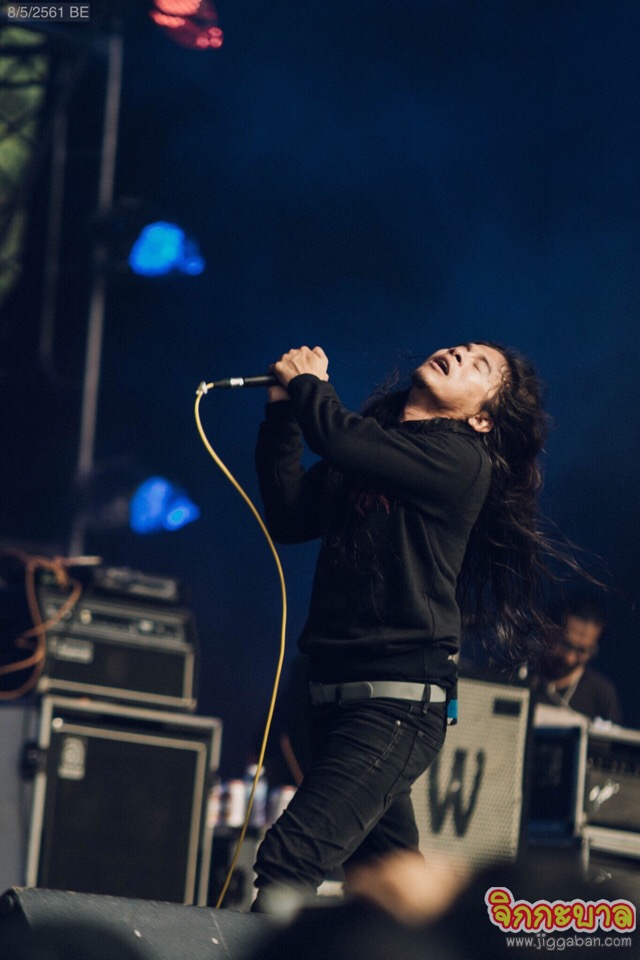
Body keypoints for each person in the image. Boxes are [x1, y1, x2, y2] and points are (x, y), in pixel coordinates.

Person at [251, 341, 553, 912]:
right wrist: (283, 415)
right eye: (460, 347)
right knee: (390, 890)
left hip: (393, 706)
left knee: (291, 857)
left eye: (477, 364)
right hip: (331, 700)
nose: (457, 353)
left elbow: (337, 436)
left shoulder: (462, 460)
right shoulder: (380, 447)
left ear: (482, 419)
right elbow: (289, 515)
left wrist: (309, 384)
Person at [534, 595, 622, 723]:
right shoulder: (519, 676)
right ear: (547, 633)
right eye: (564, 644)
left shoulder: (601, 695)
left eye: (582, 651)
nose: (569, 658)